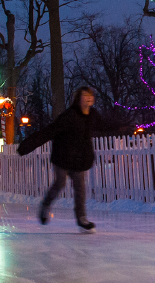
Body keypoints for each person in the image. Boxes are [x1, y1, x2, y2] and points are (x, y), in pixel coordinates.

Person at [18, 86, 96, 231]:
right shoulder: (69, 115)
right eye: (85, 95)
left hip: (78, 159)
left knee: (80, 188)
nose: (88, 97)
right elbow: (50, 131)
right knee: (60, 183)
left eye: (90, 95)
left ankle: (81, 218)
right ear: (78, 98)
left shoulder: (92, 115)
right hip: (63, 156)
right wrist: (27, 145)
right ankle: (45, 205)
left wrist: (125, 125)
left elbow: (106, 124)